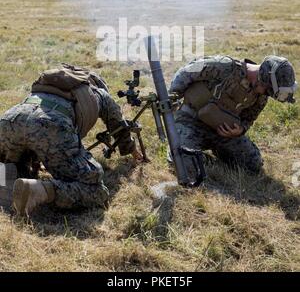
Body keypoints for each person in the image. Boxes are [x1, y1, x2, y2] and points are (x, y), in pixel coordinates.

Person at [0, 64, 142, 216]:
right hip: (50, 125)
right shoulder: (99, 93)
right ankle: (40, 190)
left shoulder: (49, 86)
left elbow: (29, 127)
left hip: (9, 119)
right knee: (96, 189)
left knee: (14, 160)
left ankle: (6, 177)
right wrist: (132, 150)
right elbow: (119, 126)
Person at [169, 55, 297, 174]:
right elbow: (185, 72)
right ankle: (191, 156)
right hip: (190, 121)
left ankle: (205, 156)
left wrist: (240, 130)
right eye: (266, 89)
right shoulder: (223, 67)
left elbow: (249, 119)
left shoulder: (261, 96)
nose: (265, 93)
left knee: (253, 164)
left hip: (221, 132)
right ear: (262, 79)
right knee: (183, 162)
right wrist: (171, 99)